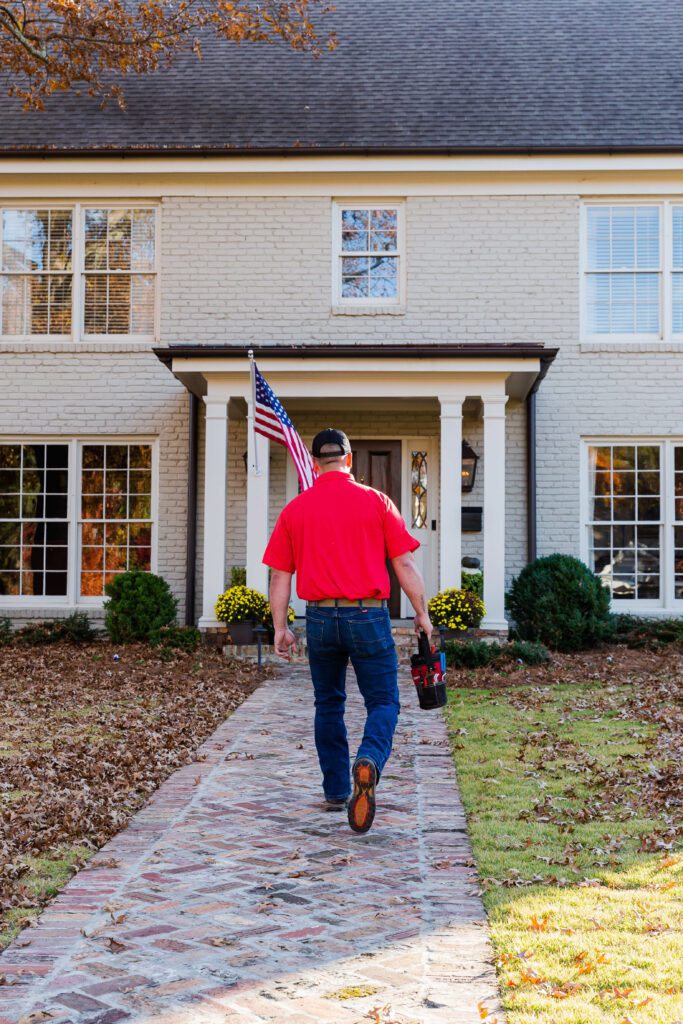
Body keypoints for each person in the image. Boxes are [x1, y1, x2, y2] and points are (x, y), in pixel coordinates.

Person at [262, 428, 433, 834]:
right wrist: (422, 615)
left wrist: (281, 627)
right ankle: (369, 760)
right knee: (383, 701)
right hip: (368, 616)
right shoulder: (377, 502)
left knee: (329, 703)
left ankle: (337, 790)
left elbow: (279, 576)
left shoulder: (296, 509)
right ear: (349, 459)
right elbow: (405, 566)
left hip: (320, 618)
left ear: (315, 462)